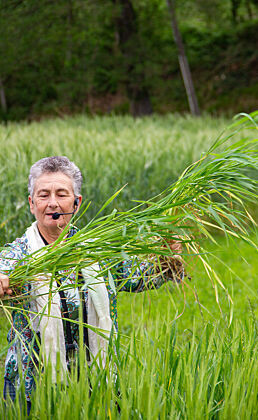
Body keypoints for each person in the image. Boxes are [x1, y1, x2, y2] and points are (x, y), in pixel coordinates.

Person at [0, 156, 182, 415]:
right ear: (32, 204)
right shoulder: (19, 255)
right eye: (43, 195)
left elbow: (138, 276)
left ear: (76, 203)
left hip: (96, 385)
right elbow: (3, 266)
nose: (53, 202)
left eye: (62, 194)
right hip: (32, 391)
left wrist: (169, 258)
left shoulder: (96, 252)